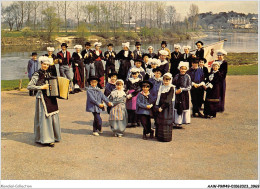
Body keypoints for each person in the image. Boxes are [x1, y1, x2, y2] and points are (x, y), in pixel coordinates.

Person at [27, 56, 61, 147]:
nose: (45, 66)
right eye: (44, 64)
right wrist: (41, 87)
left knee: (53, 115)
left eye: (47, 64)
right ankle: (46, 139)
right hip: (42, 97)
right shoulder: (37, 74)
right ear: (41, 64)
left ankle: (54, 136)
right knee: (44, 117)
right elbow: (29, 86)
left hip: (51, 97)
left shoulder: (50, 73)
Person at [154, 73, 175, 142]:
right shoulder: (161, 87)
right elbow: (158, 97)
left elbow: (168, 100)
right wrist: (157, 106)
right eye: (164, 80)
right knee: (160, 121)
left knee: (166, 121)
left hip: (167, 107)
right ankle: (159, 136)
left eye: (167, 80)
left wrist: (162, 107)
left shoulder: (171, 88)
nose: (166, 82)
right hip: (160, 106)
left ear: (170, 80)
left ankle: (166, 137)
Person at [172, 61, 192, 127]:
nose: (183, 70)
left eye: (184, 69)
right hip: (177, 94)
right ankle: (177, 121)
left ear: (186, 69)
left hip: (184, 94)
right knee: (177, 107)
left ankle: (183, 121)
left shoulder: (187, 77)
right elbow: (173, 84)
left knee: (183, 107)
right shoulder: (177, 76)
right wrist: (175, 90)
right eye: (181, 68)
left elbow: (189, 87)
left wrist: (182, 89)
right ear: (179, 69)